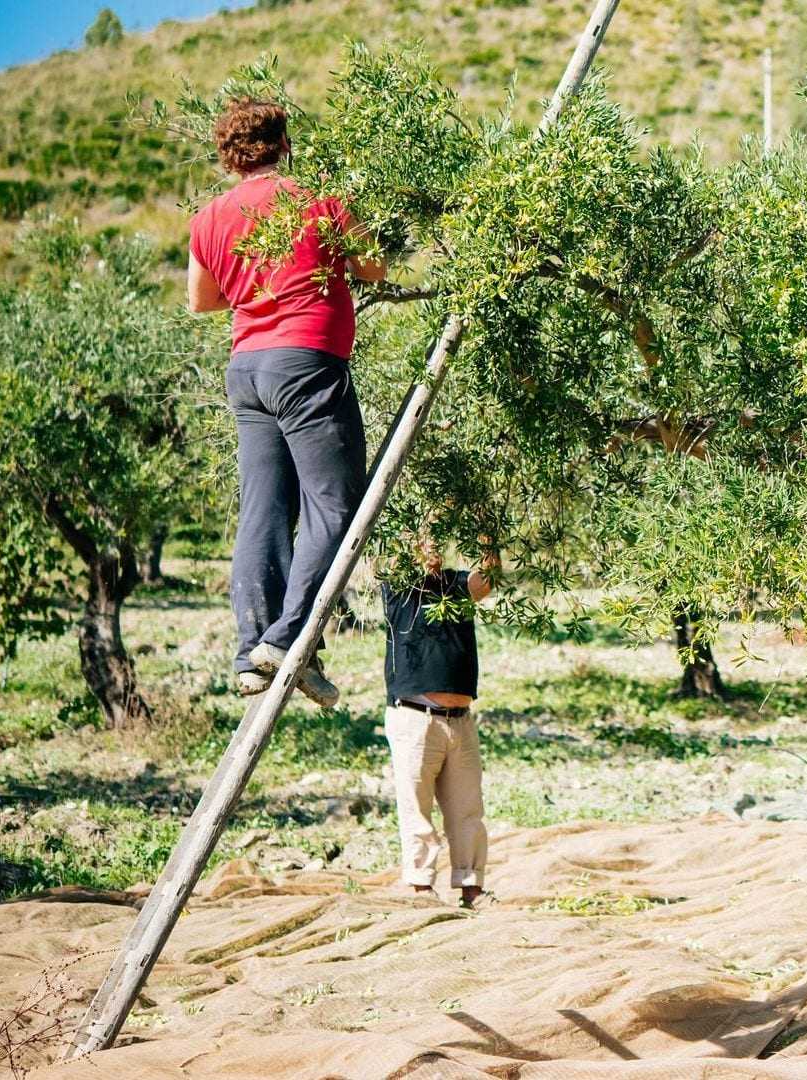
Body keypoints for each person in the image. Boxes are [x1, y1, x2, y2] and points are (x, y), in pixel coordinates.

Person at [189, 98, 386, 704]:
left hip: (247, 368)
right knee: (336, 505)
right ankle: (289, 634)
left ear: (228, 156)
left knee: (264, 510)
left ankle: (254, 650)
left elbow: (202, 300)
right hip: (308, 362)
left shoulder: (209, 217)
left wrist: (260, 292)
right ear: (284, 143)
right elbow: (373, 266)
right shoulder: (316, 199)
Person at [382, 536, 498, 907]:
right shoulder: (399, 589)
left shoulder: (457, 586)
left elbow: (487, 578)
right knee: (416, 806)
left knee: (467, 809)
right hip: (415, 718)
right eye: (421, 544)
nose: (430, 550)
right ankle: (419, 886)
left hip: (460, 721)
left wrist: (487, 536)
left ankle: (471, 887)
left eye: (434, 542)